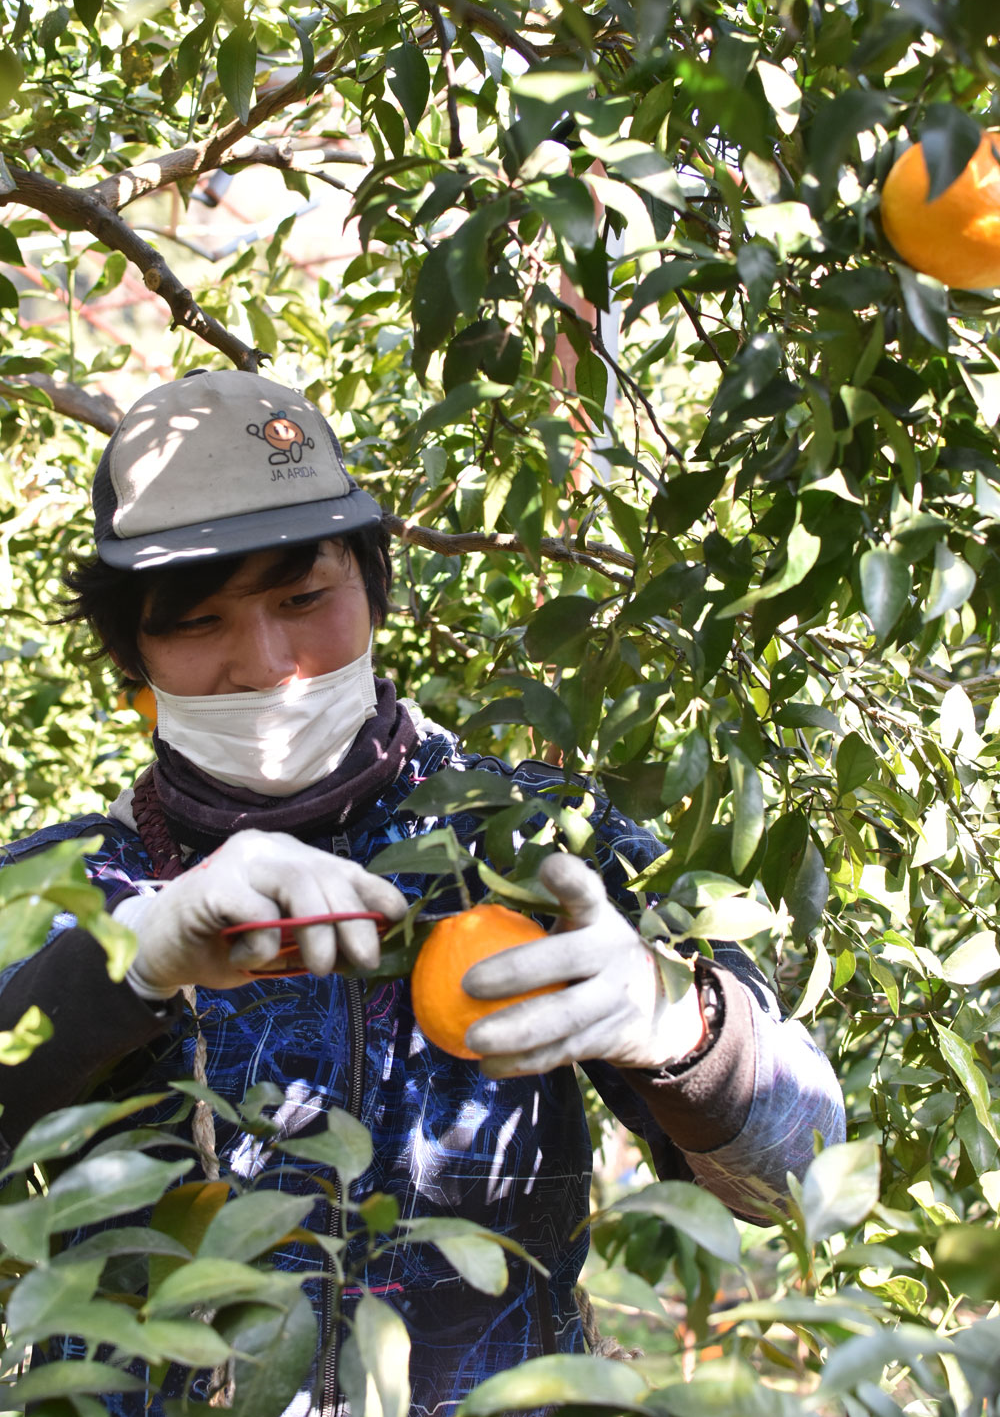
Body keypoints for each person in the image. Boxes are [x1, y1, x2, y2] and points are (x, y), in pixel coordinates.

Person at [0, 368, 845, 1416]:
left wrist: (681, 1028)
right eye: (199, 621)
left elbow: (800, 1185)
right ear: (134, 650)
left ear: (374, 582)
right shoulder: (64, 888)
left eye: (302, 599)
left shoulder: (535, 843)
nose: (267, 662)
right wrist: (120, 969)